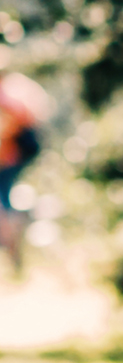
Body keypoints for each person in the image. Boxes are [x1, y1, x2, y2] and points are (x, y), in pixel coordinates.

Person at [0, 72, 48, 282]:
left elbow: (10, 127)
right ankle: (13, 245)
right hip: (21, 149)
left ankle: (11, 242)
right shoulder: (15, 85)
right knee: (5, 199)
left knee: (3, 200)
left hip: (15, 152)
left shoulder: (7, 95)